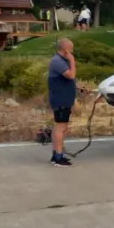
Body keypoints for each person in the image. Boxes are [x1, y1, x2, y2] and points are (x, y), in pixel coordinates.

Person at [47, 37, 77, 167]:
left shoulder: (61, 61)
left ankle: (56, 154)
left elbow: (68, 80)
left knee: (61, 127)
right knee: (61, 127)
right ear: (65, 49)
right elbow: (70, 75)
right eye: (71, 48)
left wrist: (78, 87)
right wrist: (72, 61)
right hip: (61, 99)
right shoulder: (58, 61)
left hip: (64, 98)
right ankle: (59, 157)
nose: (72, 51)